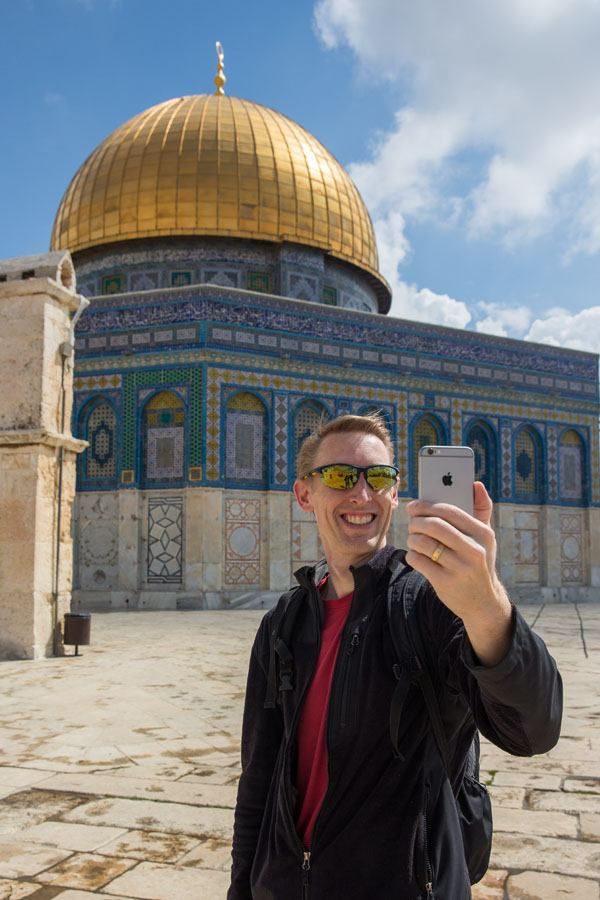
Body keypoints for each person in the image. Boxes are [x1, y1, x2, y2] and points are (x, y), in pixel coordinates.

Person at [227, 413, 562, 900]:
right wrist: (243, 888)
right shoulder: (285, 623)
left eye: (378, 477)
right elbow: (259, 777)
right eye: (340, 477)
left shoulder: (431, 606)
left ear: (396, 493)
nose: (361, 495)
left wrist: (486, 607)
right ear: (304, 495)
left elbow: (533, 729)